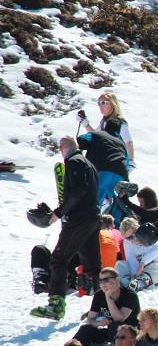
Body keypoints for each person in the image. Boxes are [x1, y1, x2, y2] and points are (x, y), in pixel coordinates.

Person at [32, 136, 101, 321]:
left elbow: (77, 191)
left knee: (59, 258)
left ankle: (56, 305)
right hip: (93, 217)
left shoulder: (74, 162)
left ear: (63, 148)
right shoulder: (89, 164)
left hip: (79, 218)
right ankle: (104, 305)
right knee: (93, 266)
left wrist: (59, 212)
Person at [72, 267, 140, 346]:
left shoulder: (129, 295)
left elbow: (119, 318)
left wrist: (108, 298)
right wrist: (99, 323)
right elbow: (90, 320)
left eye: (106, 280)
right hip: (111, 333)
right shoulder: (99, 295)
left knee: (116, 325)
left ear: (117, 280)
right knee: (86, 329)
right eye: (100, 281)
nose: (103, 284)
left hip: (130, 334)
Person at [76, 122, 128, 213]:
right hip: (121, 175)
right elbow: (126, 163)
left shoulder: (96, 134)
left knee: (94, 203)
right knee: (117, 205)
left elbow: (80, 141)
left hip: (102, 171)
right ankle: (115, 224)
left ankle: (87, 222)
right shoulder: (122, 144)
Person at [114, 218, 158, 291]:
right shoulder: (128, 243)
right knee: (121, 264)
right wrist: (135, 275)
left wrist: (142, 263)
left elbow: (155, 249)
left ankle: (139, 283)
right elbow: (131, 260)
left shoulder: (151, 233)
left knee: (155, 266)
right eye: (128, 238)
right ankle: (123, 282)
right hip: (142, 271)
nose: (132, 240)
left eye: (133, 235)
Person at [91, 94, 134, 167]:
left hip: (117, 164)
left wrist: (131, 163)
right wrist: (85, 123)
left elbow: (129, 143)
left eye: (103, 103)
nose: (100, 106)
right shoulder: (104, 121)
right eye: (99, 103)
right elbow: (93, 135)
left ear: (112, 104)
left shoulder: (120, 122)